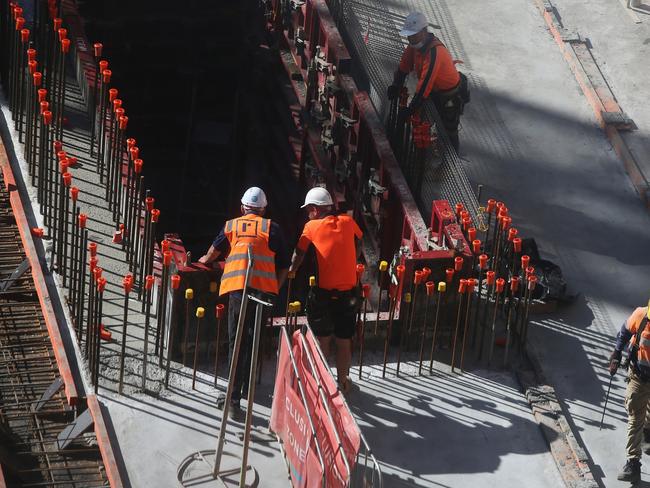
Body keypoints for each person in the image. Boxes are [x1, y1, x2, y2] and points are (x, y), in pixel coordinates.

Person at [199, 187, 289, 418]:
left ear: (242, 208)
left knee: (236, 343)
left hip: (238, 292)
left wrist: (202, 261)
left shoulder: (232, 225)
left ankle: (232, 399)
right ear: (263, 210)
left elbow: (211, 255)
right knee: (252, 340)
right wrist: (275, 288)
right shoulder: (272, 228)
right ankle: (246, 388)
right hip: (262, 295)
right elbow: (284, 266)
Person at [289, 187, 362, 393]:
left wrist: (291, 271)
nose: (308, 214)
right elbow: (360, 240)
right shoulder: (348, 222)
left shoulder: (311, 226)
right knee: (344, 339)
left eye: (308, 210)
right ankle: (343, 381)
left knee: (323, 338)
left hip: (324, 293)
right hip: (349, 293)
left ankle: (322, 383)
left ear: (314, 209)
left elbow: (299, 254)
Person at [387, 11, 468, 152]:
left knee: (449, 129)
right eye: (409, 36)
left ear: (424, 31)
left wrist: (409, 110)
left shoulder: (434, 53)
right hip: (433, 91)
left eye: (414, 35)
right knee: (426, 122)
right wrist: (396, 85)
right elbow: (403, 66)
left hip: (448, 94)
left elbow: (424, 86)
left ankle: (453, 155)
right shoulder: (414, 46)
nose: (411, 39)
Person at [609, 301, 650, 483]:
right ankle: (633, 463)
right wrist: (617, 353)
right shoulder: (641, 315)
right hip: (639, 377)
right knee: (635, 415)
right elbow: (625, 332)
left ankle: (647, 433)